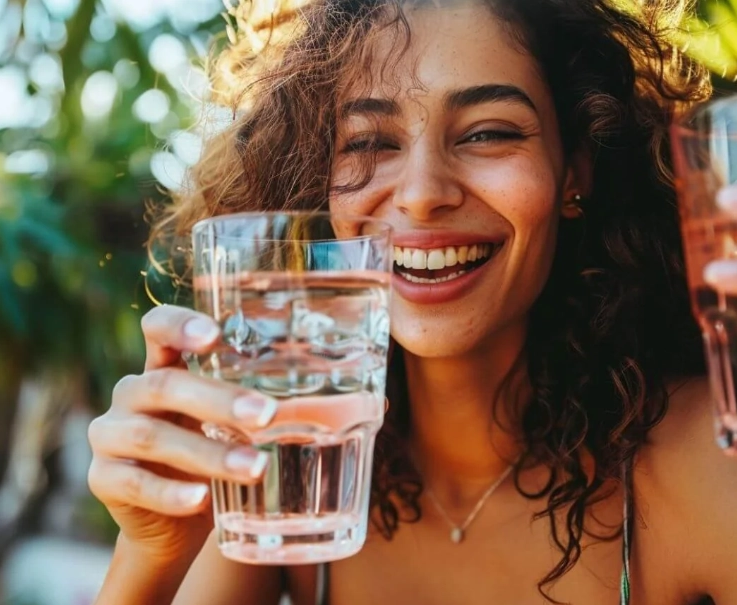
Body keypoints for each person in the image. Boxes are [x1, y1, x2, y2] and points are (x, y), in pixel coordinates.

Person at [87, 0, 737, 603]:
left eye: (486, 133)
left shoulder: (700, 459)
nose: (422, 194)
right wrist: (150, 553)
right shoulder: (289, 475)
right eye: (370, 142)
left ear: (574, 170)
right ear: (320, 183)